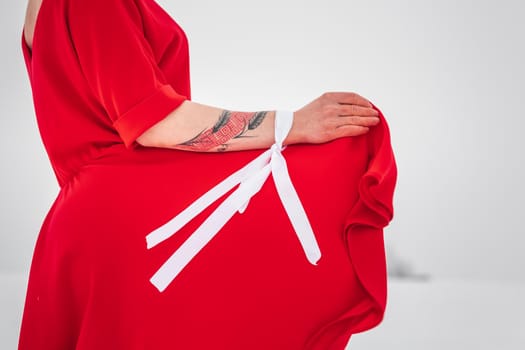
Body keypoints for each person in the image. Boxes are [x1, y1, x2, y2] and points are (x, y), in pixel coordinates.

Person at [20, 0, 397, 349]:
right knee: (344, 154)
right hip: (126, 217)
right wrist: (292, 124)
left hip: (88, 222)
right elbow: (155, 123)